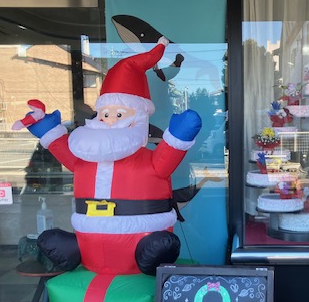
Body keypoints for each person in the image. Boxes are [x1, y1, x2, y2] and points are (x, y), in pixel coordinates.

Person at [16, 37, 201, 275]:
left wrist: (179, 134)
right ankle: (76, 250)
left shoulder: (148, 161)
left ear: (139, 119)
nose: (110, 121)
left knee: (157, 247)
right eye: (105, 114)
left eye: (119, 114)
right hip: (89, 243)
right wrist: (45, 127)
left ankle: (149, 255)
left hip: (140, 240)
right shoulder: (85, 158)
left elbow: (167, 156)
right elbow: (63, 149)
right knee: (52, 240)